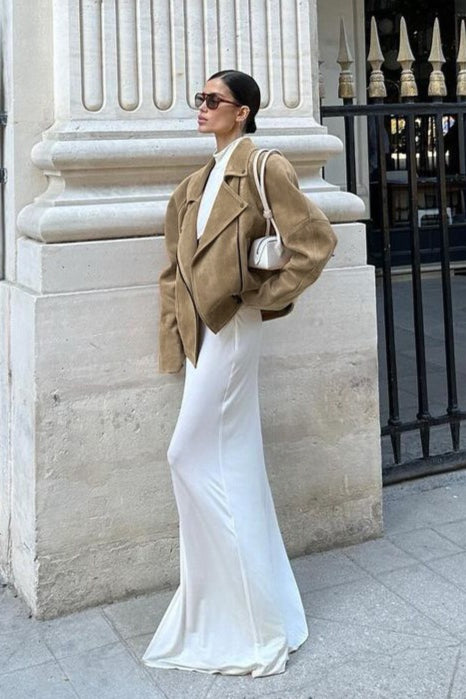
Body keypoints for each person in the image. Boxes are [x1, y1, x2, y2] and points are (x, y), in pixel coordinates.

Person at [142, 69, 337, 678]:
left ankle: (249, 618)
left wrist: (259, 299)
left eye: (213, 99)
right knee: (233, 464)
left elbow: (315, 242)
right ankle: (240, 608)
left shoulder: (263, 166)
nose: (201, 107)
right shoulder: (196, 183)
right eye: (199, 99)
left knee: (186, 455)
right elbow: (173, 271)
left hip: (231, 330)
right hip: (202, 338)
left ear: (243, 111)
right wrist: (175, 343)